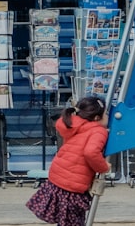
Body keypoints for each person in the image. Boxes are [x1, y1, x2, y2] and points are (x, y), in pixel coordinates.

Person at [26, 96, 111, 226]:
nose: (107, 116)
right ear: (96, 118)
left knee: (66, 220)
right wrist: (104, 167)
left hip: (57, 179)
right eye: (106, 113)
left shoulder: (74, 125)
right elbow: (91, 152)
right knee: (73, 221)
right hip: (72, 185)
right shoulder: (98, 131)